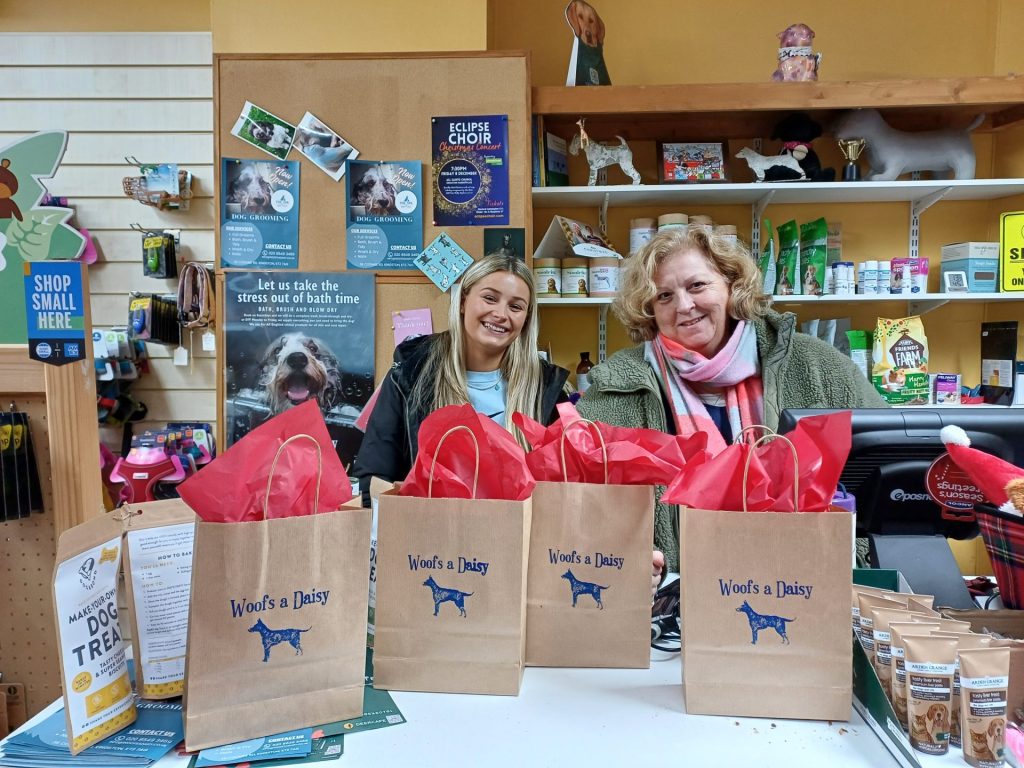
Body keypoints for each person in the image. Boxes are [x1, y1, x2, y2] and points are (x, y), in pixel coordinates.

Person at [577, 227, 885, 582]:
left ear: (732, 285)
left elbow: (888, 471)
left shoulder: (815, 365)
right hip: (672, 606)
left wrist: (852, 553)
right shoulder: (617, 386)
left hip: (805, 586)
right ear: (650, 311)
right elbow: (579, 508)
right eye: (664, 296)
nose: (684, 306)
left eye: (697, 286)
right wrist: (621, 557)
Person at [353, 254, 569, 504]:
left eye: (516, 306)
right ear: (464, 300)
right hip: (427, 538)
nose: (500, 314)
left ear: (526, 318)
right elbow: (375, 477)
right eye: (490, 298)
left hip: (514, 537)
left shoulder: (546, 388)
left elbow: (563, 488)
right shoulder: (411, 374)